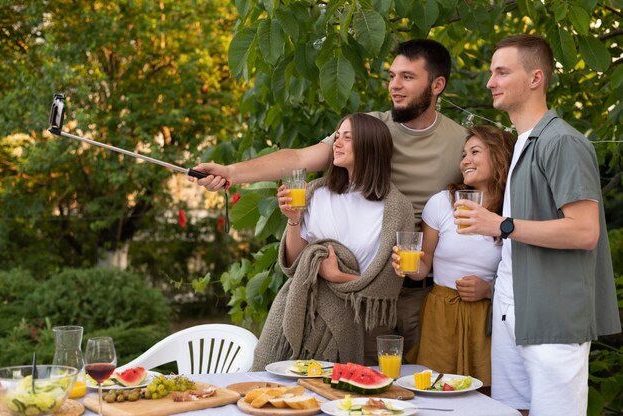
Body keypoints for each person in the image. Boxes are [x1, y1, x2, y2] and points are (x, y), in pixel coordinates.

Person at [192, 39, 468, 357]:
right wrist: (231, 172)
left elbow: (483, 207)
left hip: (422, 293)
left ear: (437, 84)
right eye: (391, 76)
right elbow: (297, 158)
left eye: (407, 77)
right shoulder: (369, 129)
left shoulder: (461, 143)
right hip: (356, 297)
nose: (394, 85)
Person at [454, 34, 621, 415]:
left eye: (501, 72)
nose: (490, 82)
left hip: (553, 319)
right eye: (491, 72)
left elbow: (584, 231)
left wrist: (502, 226)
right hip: (513, 313)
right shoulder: (523, 143)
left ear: (535, 78)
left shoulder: (561, 142)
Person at [251, 113, 414, 370]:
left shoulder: (396, 208)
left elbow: (388, 286)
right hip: (306, 312)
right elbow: (294, 265)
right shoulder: (316, 192)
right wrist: (293, 219)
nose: (336, 143)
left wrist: (337, 277)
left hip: (363, 325)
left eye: (347, 138)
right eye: (337, 136)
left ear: (371, 146)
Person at [392, 125, 516, 387]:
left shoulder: (511, 210)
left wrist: (488, 291)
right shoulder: (441, 203)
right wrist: (407, 264)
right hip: (441, 313)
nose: (465, 161)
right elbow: (423, 267)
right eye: (463, 154)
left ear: (499, 156)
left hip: (489, 317)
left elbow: (527, 273)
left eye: (475, 152)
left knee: (488, 393)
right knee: (434, 389)